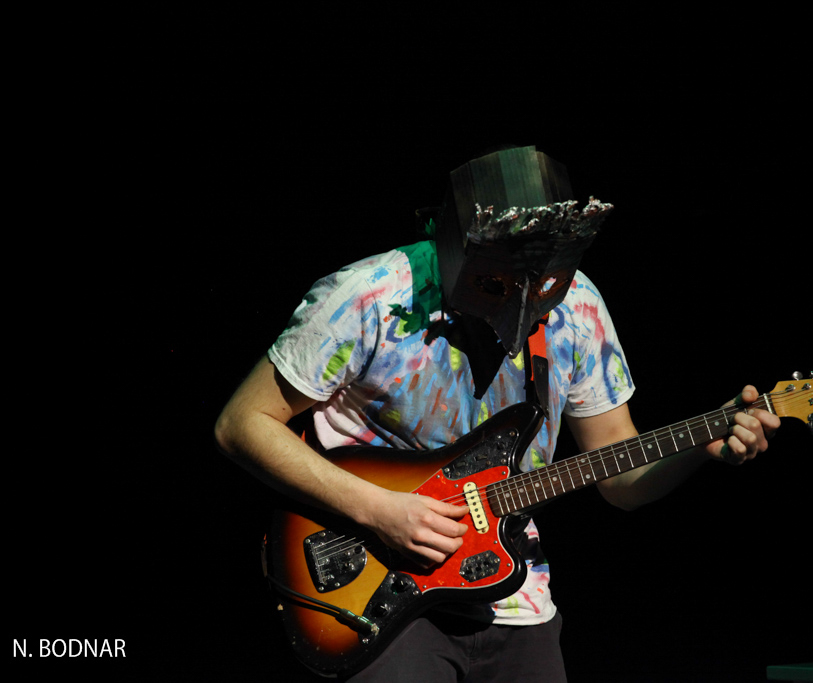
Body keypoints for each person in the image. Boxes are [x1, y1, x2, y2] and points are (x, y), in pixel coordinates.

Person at [214, 145, 780, 681]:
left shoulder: (578, 311)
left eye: (548, 283)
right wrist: (380, 510)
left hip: (516, 596)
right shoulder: (369, 297)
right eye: (495, 283)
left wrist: (700, 447)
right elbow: (242, 423)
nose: (526, 301)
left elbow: (621, 481)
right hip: (377, 588)